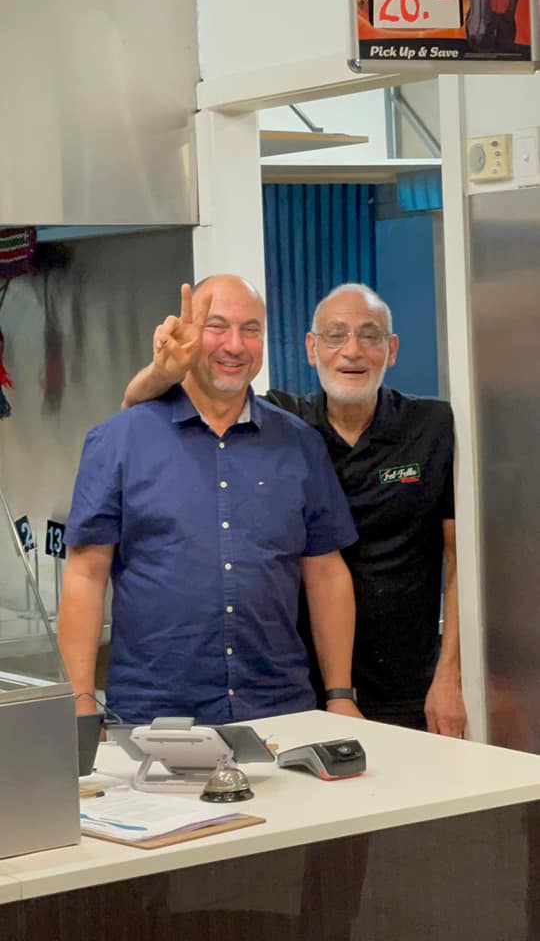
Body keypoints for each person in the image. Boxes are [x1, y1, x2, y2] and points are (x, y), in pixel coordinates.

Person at [123, 281, 466, 737]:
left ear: (392, 350)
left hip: (410, 686)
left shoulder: (433, 427)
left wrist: (451, 674)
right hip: (297, 690)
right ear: (310, 348)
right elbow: (138, 412)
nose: (352, 351)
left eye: (370, 336)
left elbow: (462, 560)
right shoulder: (284, 425)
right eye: (335, 336)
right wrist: (160, 372)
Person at [58, 275, 361, 726]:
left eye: (250, 329)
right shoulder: (118, 440)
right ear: (187, 333)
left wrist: (339, 694)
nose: (234, 345)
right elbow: (85, 575)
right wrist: (80, 704)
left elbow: (326, 574)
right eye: (216, 327)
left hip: (280, 712)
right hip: (154, 717)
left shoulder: (299, 444)